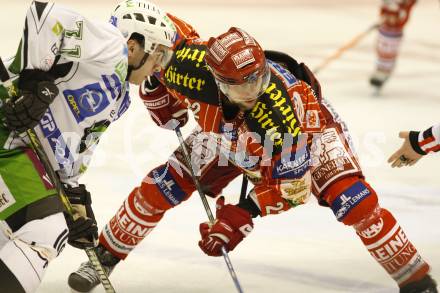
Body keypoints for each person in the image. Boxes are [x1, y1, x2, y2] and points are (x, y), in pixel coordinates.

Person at [0, 0, 176, 292]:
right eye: (159, 53)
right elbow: (44, 15)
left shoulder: (119, 98)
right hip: (6, 130)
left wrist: (73, 197)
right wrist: (34, 82)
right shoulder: (110, 47)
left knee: (12, 234)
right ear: (134, 45)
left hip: (16, 148)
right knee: (45, 231)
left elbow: (72, 146)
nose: (159, 66)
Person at [369, 0, 417, 89]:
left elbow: (404, 13)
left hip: (394, 32)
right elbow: (384, 9)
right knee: (382, 51)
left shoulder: (404, 6)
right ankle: (380, 70)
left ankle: (384, 72)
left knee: (388, 52)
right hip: (386, 30)